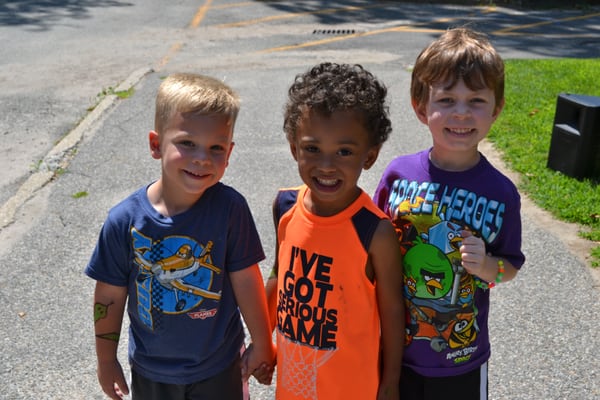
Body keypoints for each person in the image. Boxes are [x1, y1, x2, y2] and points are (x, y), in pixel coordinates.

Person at [85, 72, 275, 400]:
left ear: (229, 153)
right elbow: (110, 296)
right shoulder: (124, 222)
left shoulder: (231, 209)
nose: (202, 157)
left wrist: (262, 342)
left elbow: (246, 279)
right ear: (156, 145)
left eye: (216, 147)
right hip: (150, 369)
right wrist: (105, 359)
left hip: (219, 366)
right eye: (187, 143)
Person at [373, 27, 526, 400]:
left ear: (497, 109)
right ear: (421, 108)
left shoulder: (499, 192)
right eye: (447, 99)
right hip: (395, 348)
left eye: (476, 100)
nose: (461, 113)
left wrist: (488, 267)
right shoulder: (398, 175)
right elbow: (371, 246)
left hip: (462, 355)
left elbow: (511, 268)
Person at [262, 62, 405, 399]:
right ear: (294, 147)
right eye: (312, 149)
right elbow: (279, 276)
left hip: (352, 388)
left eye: (344, 152)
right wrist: (261, 340)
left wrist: (391, 382)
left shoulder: (374, 231)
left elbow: (394, 312)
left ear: (369, 156)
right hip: (294, 386)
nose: (326, 165)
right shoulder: (284, 207)